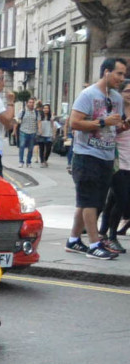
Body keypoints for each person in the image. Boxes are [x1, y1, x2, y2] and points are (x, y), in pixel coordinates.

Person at [64, 56, 127, 260]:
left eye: (124, 74)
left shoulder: (116, 98)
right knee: (91, 201)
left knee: (88, 201)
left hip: (107, 155)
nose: (121, 78)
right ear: (106, 72)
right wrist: (102, 122)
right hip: (86, 154)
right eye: (119, 73)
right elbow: (74, 123)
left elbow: (114, 128)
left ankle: (73, 240)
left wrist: (122, 125)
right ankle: (94, 244)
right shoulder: (88, 94)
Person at [97, 79, 130, 250]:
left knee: (113, 199)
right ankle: (111, 236)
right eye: (128, 91)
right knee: (122, 199)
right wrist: (121, 127)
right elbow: (107, 132)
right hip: (116, 160)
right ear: (121, 93)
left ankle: (102, 232)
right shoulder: (115, 111)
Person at [17, 98, 39, 167]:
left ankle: (28, 162)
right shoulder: (23, 111)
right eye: (30, 102)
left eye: (32, 102)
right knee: (22, 146)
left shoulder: (36, 113)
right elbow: (18, 119)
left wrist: (39, 130)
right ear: (27, 104)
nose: (31, 104)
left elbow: (38, 122)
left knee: (30, 148)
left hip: (32, 132)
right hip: (23, 131)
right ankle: (21, 161)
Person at [35, 104, 54, 168]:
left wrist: (54, 133)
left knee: (49, 148)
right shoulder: (40, 115)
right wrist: (40, 130)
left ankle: (45, 159)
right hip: (41, 134)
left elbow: (53, 125)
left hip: (49, 134)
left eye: (47, 108)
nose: (46, 109)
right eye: (44, 108)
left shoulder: (51, 116)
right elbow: (39, 122)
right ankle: (42, 161)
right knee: (41, 149)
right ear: (42, 109)